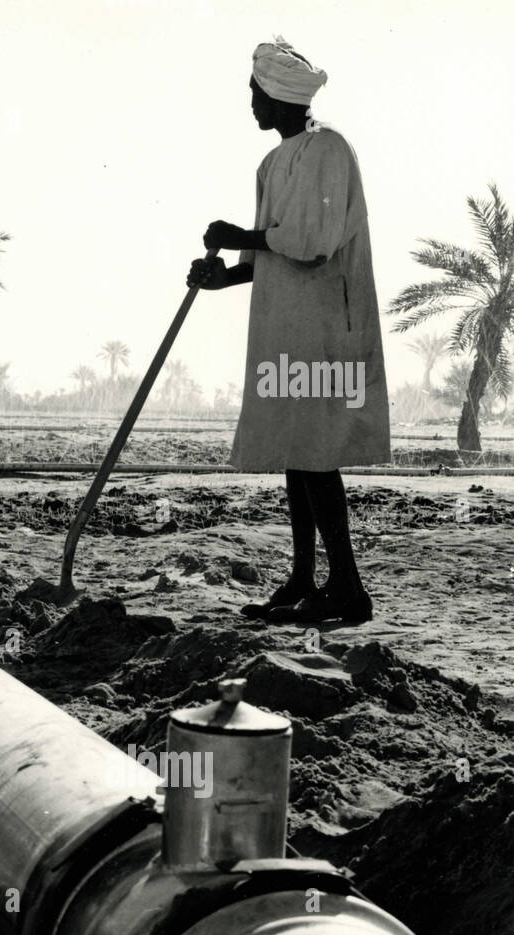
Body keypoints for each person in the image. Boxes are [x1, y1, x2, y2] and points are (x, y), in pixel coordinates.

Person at [188, 39, 390, 625]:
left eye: (256, 93)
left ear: (279, 97)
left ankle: (347, 588)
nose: (251, 103)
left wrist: (238, 235)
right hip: (286, 326)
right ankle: (305, 579)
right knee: (297, 454)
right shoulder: (273, 163)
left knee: (316, 455)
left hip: (327, 327)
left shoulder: (328, 150)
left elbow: (309, 243)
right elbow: (270, 256)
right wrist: (221, 275)